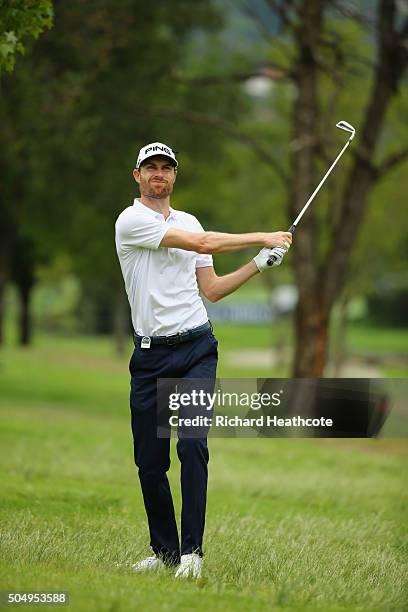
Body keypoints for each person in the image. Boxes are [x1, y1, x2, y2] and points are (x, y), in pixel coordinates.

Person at [115, 141, 292, 579]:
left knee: (193, 444)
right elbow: (203, 242)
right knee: (151, 463)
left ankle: (192, 554)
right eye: (151, 168)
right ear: (137, 175)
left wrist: (258, 263)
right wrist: (261, 235)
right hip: (151, 357)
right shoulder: (131, 220)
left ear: (175, 176)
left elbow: (210, 290)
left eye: (166, 168)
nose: (160, 174)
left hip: (196, 348)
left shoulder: (189, 220)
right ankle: (165, 553)